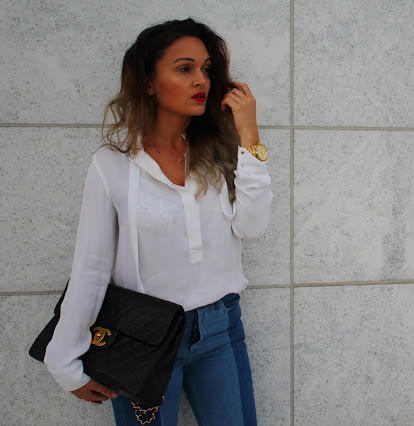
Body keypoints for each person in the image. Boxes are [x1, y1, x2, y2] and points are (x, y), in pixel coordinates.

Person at [43, 18, 272, 425]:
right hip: (141, 338)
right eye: (184, 68)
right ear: (149, 82)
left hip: (219, 328)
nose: (200, 80)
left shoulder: (214, 152)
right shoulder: (113, 165)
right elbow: (92, 266)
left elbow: (252, 227)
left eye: (206, 69)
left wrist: (248, 136)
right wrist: (64, 360)